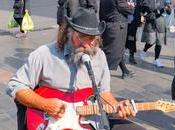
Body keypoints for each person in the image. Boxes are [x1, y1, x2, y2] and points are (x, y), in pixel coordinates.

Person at [6, 8, 146, 130]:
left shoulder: (99, 56)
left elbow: (103, 93)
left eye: (92, 39)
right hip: (52, 121)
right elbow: (15, 85)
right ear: (69, 32)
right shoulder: (45, 54)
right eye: (82, 38)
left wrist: (117, 107)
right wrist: (45, 104)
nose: (87, 44)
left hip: (89, 119)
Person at [99, 0, 136, 79]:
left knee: (116, 50)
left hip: (107, 25)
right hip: (116, 27)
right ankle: (101, 80)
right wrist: (132, 5)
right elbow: (128, 9)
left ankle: (125, 71)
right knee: (112, 52)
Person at [140, 0, 172, 67]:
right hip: (151, 22)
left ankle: (156, 59)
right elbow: (145, 10)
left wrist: (168, 8)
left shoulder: (165, 1)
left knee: (159, 41)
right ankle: (144, 51)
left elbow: (169, 12)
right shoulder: (147, 1)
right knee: (151, 41)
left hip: (161, 22)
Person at [125, 0, 144, 64]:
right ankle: (121, 56)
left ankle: (131, 56)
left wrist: (141, 21)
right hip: (125, 23)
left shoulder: (137, 1)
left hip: (133, 24)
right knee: (123, 39)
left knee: (132, 39)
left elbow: (140, 11)